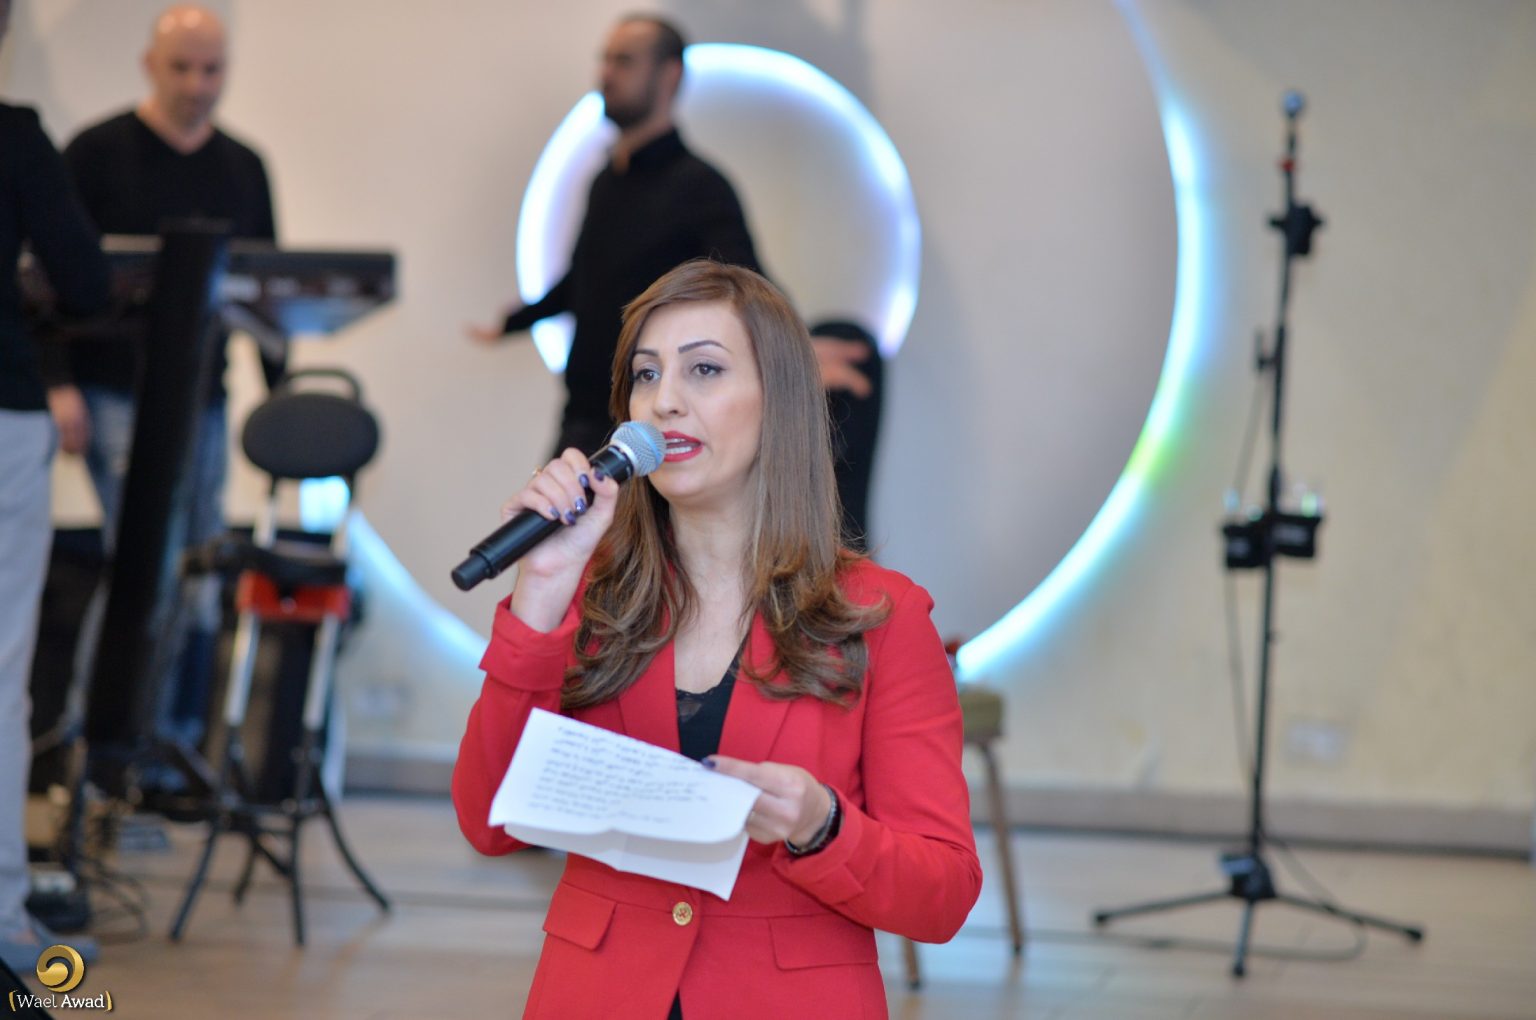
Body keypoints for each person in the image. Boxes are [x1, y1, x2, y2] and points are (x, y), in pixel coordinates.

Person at [452, 260, 980, 1019]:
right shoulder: (585, 596)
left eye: (704, 369)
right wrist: (540, 589)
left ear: (780, 400)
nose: (664, 400)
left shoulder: (881, 616)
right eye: (647, 375)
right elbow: (489, 823)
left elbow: (943, 895)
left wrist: (822, 827)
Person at [41, 3, 279, 749]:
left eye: (212, 70)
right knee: (143, 563)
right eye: (182, 67)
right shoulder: (96, 153)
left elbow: (269, 290)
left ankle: (169, 747)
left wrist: (281, 393)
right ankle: (100, 744)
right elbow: (45, 277)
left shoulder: (243, 167)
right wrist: (57, 381)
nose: (197, 85)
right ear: (151, 65)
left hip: (201, 401)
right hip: (113, 393)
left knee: (196, 571)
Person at [466, 15, 766, 458]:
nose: (606, 74)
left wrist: (799, 351)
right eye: (605, 60)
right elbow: (584, 279)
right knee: (548, 506)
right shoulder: (605, 181)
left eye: (623, 61)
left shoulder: (701, 186)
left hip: (650, 427)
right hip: (583, 414)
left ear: (669, 75)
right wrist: (517, 321)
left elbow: (747, 286)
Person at [0, 0, 112, 969]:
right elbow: (85, 281)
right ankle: (2, 917)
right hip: (2, 409)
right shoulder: (17, 137)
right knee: (2, 672)